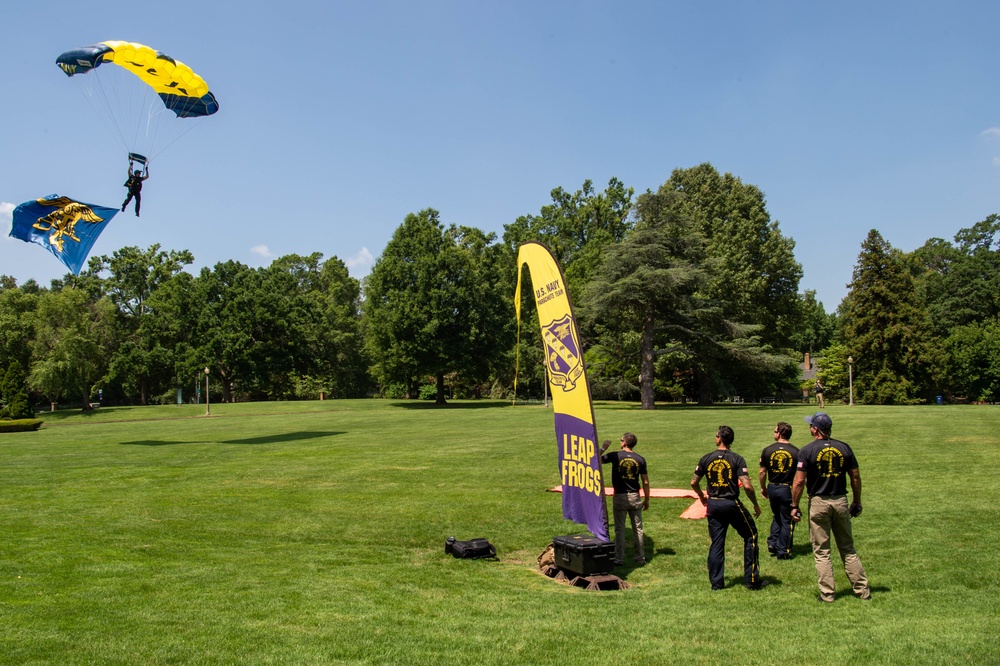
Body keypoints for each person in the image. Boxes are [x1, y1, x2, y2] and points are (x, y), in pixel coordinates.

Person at [791, 412, 871, 603]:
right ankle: (862, 591)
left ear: (816, 429)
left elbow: (799, 481)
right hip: (840, 500)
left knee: (822, 551)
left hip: (819, 502)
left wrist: (794, 505)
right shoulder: (844, 448)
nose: (809, 427)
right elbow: (855, 477)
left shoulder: (807, 450)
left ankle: (827, 594)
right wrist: (857, 501)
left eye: (810, 425)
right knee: (847, 548)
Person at [691, 425, 765, 590]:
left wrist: (702, 496)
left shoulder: (706, 458)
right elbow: (747, 485)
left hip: (713, 504)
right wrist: (755, 504)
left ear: (719, 439)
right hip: (730, 502)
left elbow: (693, 482)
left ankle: (716, 583)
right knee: (751, 535)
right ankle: (752, 580)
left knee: (717, 542)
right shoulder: (737, 459)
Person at [599, 432, 650, 566]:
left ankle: (619, 558)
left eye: (621, 440)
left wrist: (604, 447)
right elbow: (645, 482)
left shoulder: (615, 455)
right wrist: (647, 499)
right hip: (635, 496)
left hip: (620, 496)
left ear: (624, 443)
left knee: (619, 529)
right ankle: (640, 558)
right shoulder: (640, 459)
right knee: (638, 529)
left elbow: (595, 459)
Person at [759, 421, 799, 559]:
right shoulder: (796, 451)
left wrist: (763, 488)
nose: (774, 433)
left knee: (777, 516)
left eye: (775, 431)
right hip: (786, 488)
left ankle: (773, 542)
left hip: (772, 486)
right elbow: (799, 477)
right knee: (787, 519)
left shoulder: (768, 450)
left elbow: (762, 472)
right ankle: (783, 550)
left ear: (780, 433)